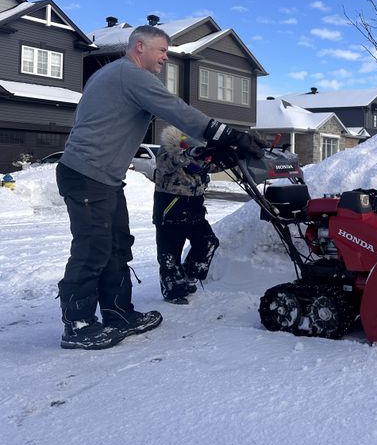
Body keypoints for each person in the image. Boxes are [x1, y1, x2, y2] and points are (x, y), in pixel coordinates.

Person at [56, 24, 263, 350]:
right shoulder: (131, 74)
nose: (166, 58)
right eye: (162, 51)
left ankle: (118, 314)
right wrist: (229, 134)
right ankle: (77, 325)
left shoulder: (114, 74)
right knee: (92, 249)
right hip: (87, 175)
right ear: (140, 46)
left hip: (104, 178)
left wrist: (209, 146)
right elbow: (176, 110)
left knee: (117, 246)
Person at [153, 126, 220, 304]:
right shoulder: (169, 146)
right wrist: (187, 153)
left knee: (208, 241)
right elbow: (164, 165)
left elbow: (211, 166)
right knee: (169, 254)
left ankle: (187, 275)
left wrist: (224, 155)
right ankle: (173, 291)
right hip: (171, 208)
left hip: (194, 207)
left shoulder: (200, 147)